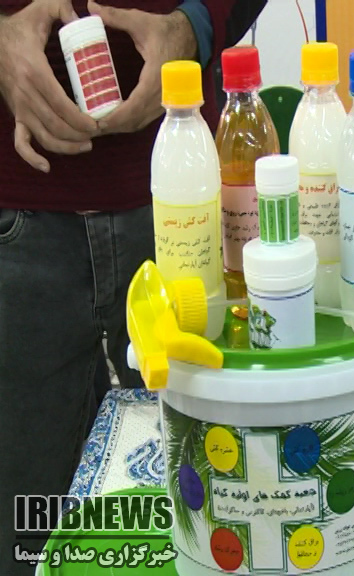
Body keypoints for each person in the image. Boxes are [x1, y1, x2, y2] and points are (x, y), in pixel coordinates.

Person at [0, 0, 265, 572]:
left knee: (227, 503)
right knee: (22, 531)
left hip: (186, 203)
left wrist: (195, 24)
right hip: (18, 214)